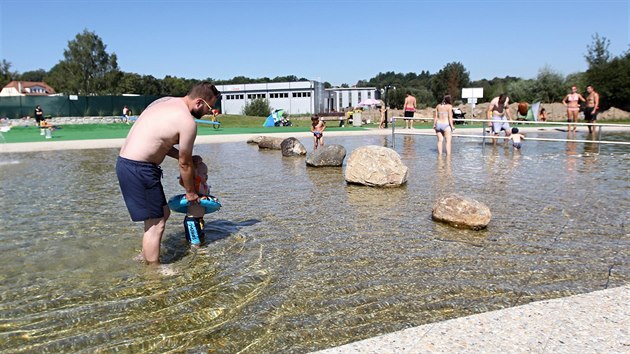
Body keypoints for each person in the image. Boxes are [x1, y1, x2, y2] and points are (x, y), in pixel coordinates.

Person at [116, 81, 221, 266]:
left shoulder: (165, 102)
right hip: (139, 168)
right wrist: (191, 192)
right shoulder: (187, 121)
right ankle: (153, 271)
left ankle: (145, 255)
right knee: (157, 223)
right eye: (209, 108)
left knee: (162, 214)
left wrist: (183, 156)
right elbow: (185, 163)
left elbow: (160, 142)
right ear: (198, 102)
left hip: (129, 164)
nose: (209, 112)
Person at [179, 155, 210, 248]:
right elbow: (184, 179)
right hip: (191, 220)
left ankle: (190, 246)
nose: (207, 176)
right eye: (204, 174)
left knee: (201, 238)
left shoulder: (204, 185)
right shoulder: (195, 184)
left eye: (207, 174)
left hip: (199, 219)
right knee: (195, 244)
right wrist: (194, 166)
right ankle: (196, 256)